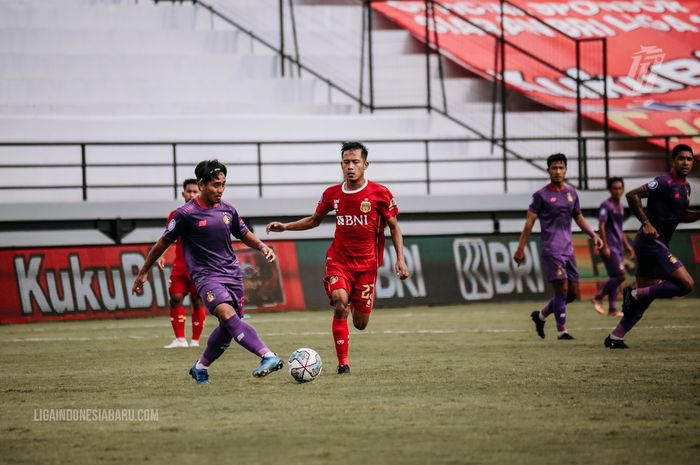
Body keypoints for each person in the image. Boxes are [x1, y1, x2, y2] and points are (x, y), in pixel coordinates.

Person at [132, 159, 284, 384]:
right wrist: (144, 270)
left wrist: (262, 247)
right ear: (201, 185)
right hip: (206, 277)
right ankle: (267, 355)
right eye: (215, 185)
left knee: (229, 325)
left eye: (223, 184)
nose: (220, 190)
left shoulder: (228, 209)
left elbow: (242, 233)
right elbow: (163, 242)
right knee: (225, 314)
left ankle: (200, 366)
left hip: (232, 275)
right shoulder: (185, 214)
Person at [265, 141, 409, 374]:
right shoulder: (332, 194)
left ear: (366, 164)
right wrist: (285, 227)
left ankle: (354, 303)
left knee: (360, 324)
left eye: (355, 162)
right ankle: (343, 364)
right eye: (346, 162)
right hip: (338, 260)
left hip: (366, 265)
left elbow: (394, 227)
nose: (350, 167)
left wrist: (400, 259)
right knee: (340, 303)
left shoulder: (380, 193)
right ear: (341, 164)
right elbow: (314, 220)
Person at [605, 144, 698, 349]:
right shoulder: (663, 182)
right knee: (687, 284)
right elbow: (632, 195)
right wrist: (646, 222)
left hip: (657, 243)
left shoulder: (686, 187)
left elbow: (681, 215)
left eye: (689, 159)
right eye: (681, 158)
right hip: (651, 243)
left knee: (644, 300)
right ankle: (635, 292)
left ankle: (615, 337)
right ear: (673, 160)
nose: (685, 162)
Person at [514, 153, 603, 340]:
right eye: (554, 168)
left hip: (568, 250)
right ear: (548, 171)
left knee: (572, 294)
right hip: (551, 249)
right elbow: (529, 222)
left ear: (566, 170)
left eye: (561, 168)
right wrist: (520, 248)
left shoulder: (572, 194)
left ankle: (540, 316)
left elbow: (578, 217)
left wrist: (594, 235)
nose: (557, 171)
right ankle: (562, 331)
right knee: (561, 290)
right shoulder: (541, 195)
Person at [159, 178, 208, 349]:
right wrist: (161, 255)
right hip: (180, 265)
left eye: (195, 191)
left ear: (200, 192)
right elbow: (167, 238)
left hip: (200, 266)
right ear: (183, 193)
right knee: (175, 298)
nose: (192, 194)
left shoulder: (207, 213)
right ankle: (180, 339)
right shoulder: (176, 215)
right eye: (189, 191)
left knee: (197, 301)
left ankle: (195, 341)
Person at [591, 177, 634, 318]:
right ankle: (598, 297)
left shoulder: (620, 206)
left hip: (618, 246)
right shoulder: (606, 205)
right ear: (610, 190)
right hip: (610, 247)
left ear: (623, 189)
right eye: (614, 188)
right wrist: (605, 246)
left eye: (620, 188)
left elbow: (619, 229)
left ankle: (613, 310)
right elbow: (601, 225)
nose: (617, 191)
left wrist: (627, 246)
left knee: (614, 276)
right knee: (621, 276)